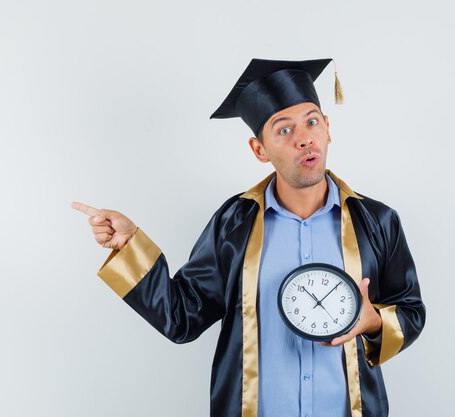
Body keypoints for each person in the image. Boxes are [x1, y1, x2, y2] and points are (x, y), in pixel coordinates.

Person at [72, 58, 425, 417]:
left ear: (328, 128)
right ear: (260, 149)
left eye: (312, 122)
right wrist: (131, 248)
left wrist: (374, 321)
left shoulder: (376, 221)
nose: (304, 138)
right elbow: (182, 316)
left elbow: (411, 310)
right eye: (284, 130)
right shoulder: (234, 224)